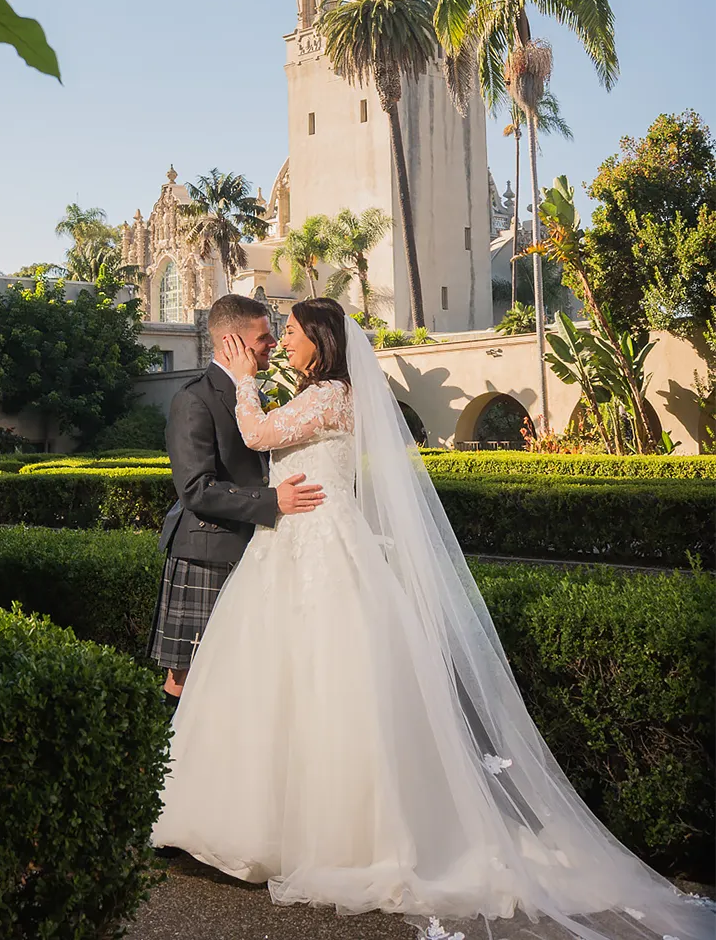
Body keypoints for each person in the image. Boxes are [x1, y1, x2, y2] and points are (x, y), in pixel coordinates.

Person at [152, 298, 710, 940]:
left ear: (322, 342)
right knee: (293, 685)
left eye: (293, 333)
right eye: (270, 336)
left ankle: (335, 834)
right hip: (296, 544)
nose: (281, 343)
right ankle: (276, 821)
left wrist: (246, 382)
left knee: (328, 687)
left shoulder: (330, 395)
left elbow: (255, 436)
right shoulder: (325, 394)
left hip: (314, 546)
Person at [147, 294, 325, 715]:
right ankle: (163, 763)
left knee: (244, 669)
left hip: (258, 550)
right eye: (263, 337)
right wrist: (272, 500)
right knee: (185, 672)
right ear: (233, 342)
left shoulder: (252, 392)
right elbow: (196, 489)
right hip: (207, 552)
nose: (272, 344)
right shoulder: (194, 399)